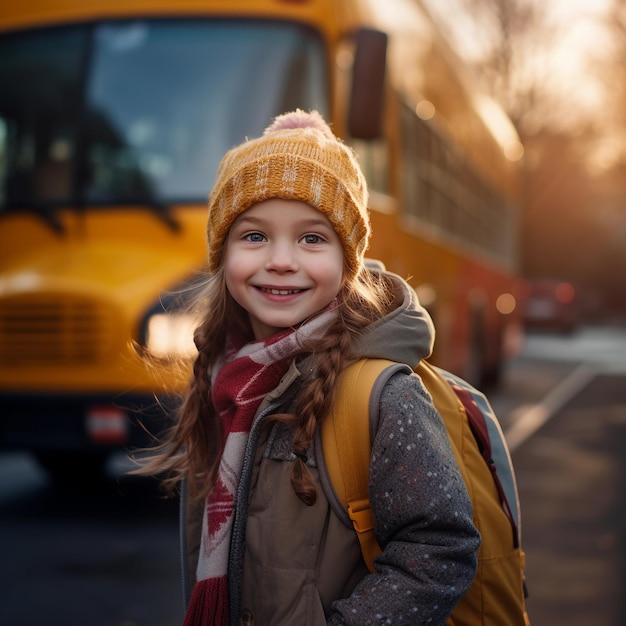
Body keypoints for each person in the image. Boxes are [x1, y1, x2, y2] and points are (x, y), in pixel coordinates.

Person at [135, 109, 480, 626]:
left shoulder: (384, 396)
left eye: (312, 238)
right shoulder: (225, 381)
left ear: (348, 261)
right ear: (221, 253)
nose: (280, 259)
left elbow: (440, 546)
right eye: (253, 236)